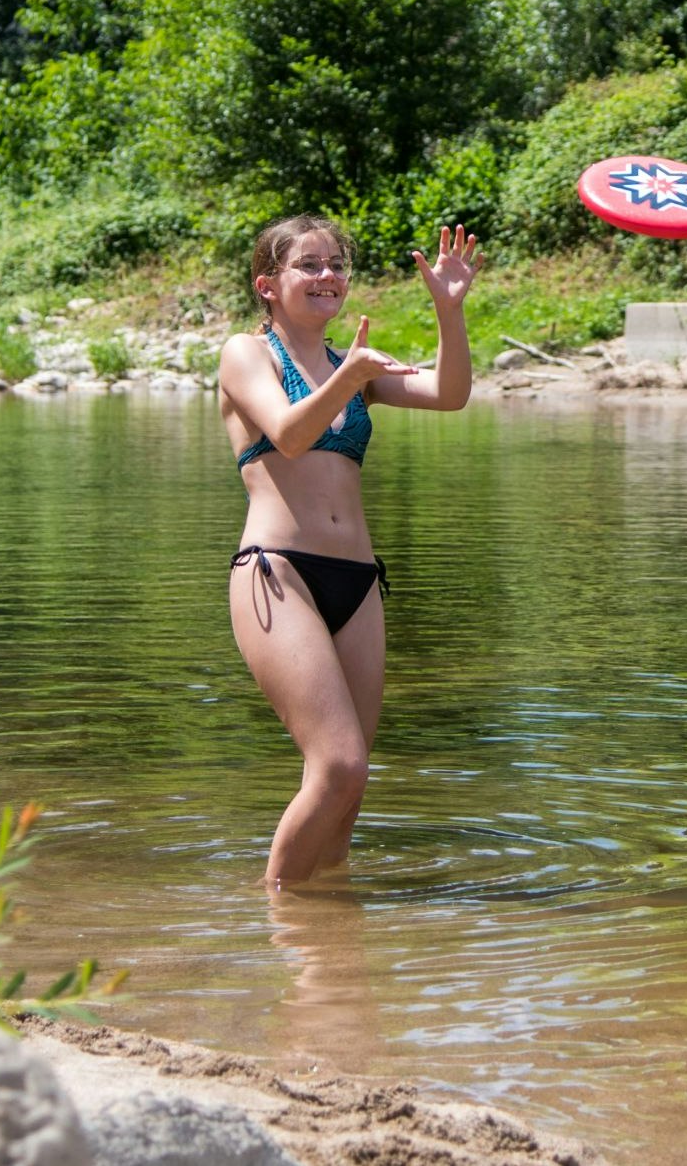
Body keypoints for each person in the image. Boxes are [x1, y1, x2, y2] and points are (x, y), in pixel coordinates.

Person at [218, 215, 480, 887]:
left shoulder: (347, 365)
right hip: (279, 575)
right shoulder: (248, 356)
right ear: (268, 284)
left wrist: (449, 312)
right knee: (338, 764)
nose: (328, 274)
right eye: (309, 264)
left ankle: (328, 930)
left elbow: (449, 395)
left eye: (336, 263)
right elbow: (289, 432)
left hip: (357, 581)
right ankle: (278, 916)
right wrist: (356, 373)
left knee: (351, 781)